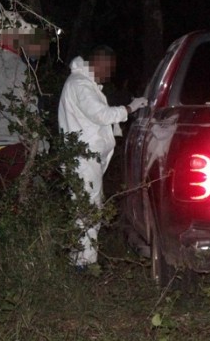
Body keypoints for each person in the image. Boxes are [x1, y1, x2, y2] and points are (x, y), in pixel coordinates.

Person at [58, 45, 147, 268]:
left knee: (86, 208)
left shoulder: (84, 85)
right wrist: (129, 108)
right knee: (88, 210)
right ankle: (85, 264)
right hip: (82, 159)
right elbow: (101, 115)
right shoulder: (81, 85)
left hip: (84, 158)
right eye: (109, 69)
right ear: (99, 63)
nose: (110, 75)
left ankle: (80, 259)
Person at [0, 11, 50, 188]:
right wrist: (41, 148)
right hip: (13, 148)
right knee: (28, 204)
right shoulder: (15, 65)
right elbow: (28, 109)